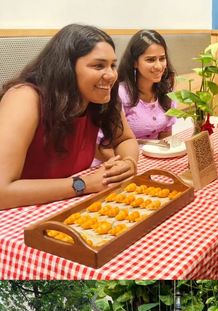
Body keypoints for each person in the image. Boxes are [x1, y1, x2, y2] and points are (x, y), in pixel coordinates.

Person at [0, 24, 138, 210]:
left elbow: (126, 139)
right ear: (66, 68)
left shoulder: (101, 96)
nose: (111, 75)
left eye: (112, 65)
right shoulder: (24, 98)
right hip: (15, 217)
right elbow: (2, 192)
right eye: (98, 66)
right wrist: (84, 184)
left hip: (65, 208)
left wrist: (129, 161)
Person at [116, 30, 176, 141]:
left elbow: (166, 139)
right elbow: (114, 143)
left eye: (162, 58)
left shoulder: (167, 91)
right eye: (150, 60)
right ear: (135, 62)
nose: (158, 66)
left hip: (156, 156)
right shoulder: (120, 94)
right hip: (127, 156)